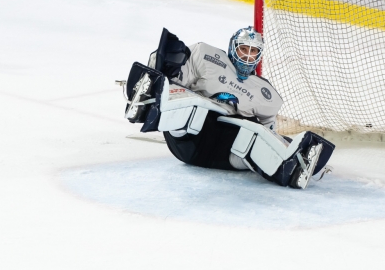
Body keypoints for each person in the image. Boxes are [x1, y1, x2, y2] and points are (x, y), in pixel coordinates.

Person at [124, 27, 334, 190]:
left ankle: (295, 167)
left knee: (255, 135)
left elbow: (268, 130)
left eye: (253, 52)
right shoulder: (207, 57)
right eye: (244, 49)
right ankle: (148, 102)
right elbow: (178, 80)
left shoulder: (265, 93)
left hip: (227, 150)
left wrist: (278, 143)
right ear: (233, 46)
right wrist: (165, 65)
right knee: (195, 104)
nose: (247, 57)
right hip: (190, 139)